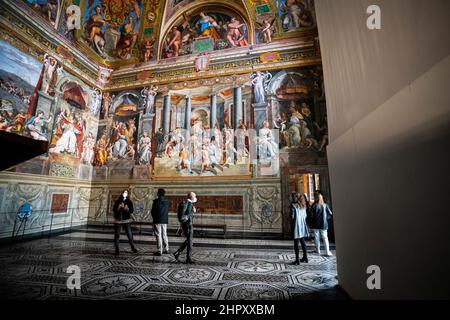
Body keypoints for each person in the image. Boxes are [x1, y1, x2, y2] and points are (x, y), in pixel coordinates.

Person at [173, 192, 197, 264]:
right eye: (195, 196)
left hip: (184, 224)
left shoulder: (183, 202)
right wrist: (193, 211)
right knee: (190, 241)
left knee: (188, 240)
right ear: (192, 197)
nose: (195, 197)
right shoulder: (189, 204)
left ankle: (178, 252)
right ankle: (188, 258)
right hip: (188, 224)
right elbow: (187, 215)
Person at [113, 190, 138, 256]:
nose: (125, 194)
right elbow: (114, 210)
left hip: (126, 219)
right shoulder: (118, 201)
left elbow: (132, 210)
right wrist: (118, 208)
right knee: (117, 235)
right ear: (122, 193)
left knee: (129, 234)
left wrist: (128, 209)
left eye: (126, 193)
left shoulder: (129, 201)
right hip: (118, 219)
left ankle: (132, 247)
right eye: (124, 192)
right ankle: (117, 249)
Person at [309, 190, 333, 256]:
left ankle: (318, 250)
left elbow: (311, 215)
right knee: (325, 237)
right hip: (324, 224)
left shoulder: (313, 205)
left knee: (316, 237)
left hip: (315, 223)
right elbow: (330, 214)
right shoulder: (325, 205)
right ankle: (327, 251)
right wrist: (326, 218)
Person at [290, 193, 310, 264]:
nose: (293, 198)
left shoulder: (293, 206)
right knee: (302, 241)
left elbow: (292, 217)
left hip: (296, 226)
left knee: (296, 243)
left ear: (297, 198)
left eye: (294, 197)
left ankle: (297, 260)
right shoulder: (304, 206)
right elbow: (305, 216)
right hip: (302, 225)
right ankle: (305, 257)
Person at [151, 189, 170, 256]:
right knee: (164, 235)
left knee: (158, 235)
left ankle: (159, 250)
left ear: (158, 193)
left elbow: (153, 212)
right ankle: (167, 249)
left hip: (157, 220)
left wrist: (154, 219)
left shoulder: (156, 201)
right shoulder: (167, 201)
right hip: (164, 220)